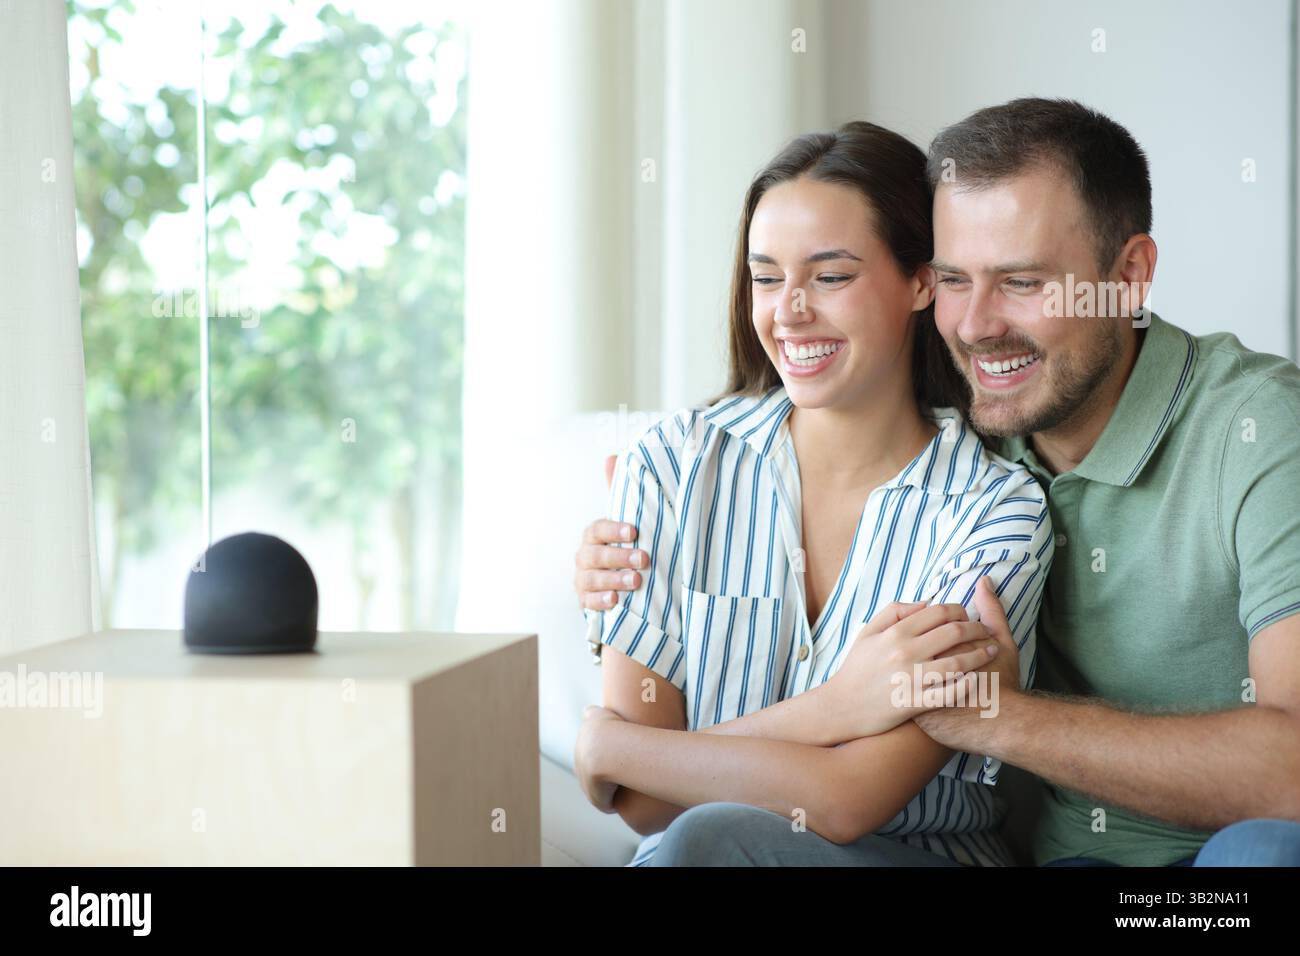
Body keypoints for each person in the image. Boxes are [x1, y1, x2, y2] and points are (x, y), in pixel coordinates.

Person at [575, 99, 1300, 867]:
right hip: (1074, 863)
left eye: (1021, 281)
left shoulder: (1254, 432)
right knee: (704, 842)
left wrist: (999, 720)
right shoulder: (997, 417)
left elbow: (1293, 774)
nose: (977, 326)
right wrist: (621, 557)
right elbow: (649, 799)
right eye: (957, 279)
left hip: (1222, 868)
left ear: (1128, 276)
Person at [571, 120, 1054, 867]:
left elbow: (846, 798)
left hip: (910, 858)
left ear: (921, 281)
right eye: (767, 277)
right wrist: (835, 709)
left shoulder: (995, 514)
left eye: (830, 276)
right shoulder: (668, 467)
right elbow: (638, 805)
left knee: (704, 835)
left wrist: (621, 749)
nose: (789, 309)